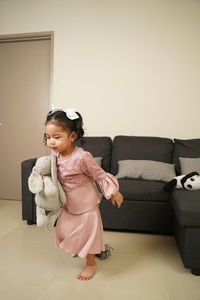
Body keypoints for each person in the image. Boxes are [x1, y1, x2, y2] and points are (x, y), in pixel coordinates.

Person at [44, 106, 123, 281]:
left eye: (57, 137)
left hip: (86, 202)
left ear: (72, 136)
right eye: (48, 137)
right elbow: (53, 172)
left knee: (90, 234)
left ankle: (91, 262)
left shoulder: (82, 157)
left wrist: (113, 192)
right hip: (69, 202)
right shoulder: (54, 155)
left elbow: (99, 175)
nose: (51, 142)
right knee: (64, 230)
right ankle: (85, 249)